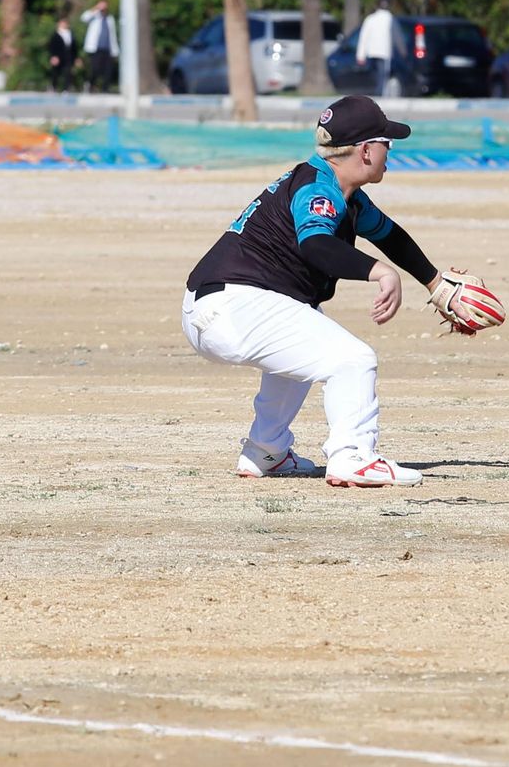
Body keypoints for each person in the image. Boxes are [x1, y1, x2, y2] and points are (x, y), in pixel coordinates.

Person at [181, 94, 458, 486]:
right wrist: (380, 272)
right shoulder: (318, 191)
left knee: (307, 345)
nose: (389, 152)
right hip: (235, 306)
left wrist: (435, 284)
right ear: (365, 150)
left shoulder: (339, 191)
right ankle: (353, 456)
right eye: (386, 143)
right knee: (354, 360)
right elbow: (316, 246)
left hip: (217, 306)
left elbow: (391, 235)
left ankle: (266, 450)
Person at [355, 0, 402, 97]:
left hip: (372, 52)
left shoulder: (370, 19)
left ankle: (376, 93)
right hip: (384, 53)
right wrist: (403, 52)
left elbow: (364, 37)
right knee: (382, 75)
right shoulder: (391, 19)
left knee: (376, 74)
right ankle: (379, 94)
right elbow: (397, 37)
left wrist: (360, 55)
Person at [80, 0, 118, 93]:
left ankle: (105, 89)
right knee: (95, 69)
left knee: (108, 70)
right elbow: (84, 18)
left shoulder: (110, 18)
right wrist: (96, 8)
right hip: (95, 48)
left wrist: (115, 50)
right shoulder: (95, 17)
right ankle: (90, 85)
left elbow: (113, 35)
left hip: (108, 48)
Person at [47, 17, 77, 93]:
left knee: (68, 73)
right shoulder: (55, 35)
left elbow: (74, 47)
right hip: (58, 57)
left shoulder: (70, 34)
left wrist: (76, 58)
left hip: (68, 56)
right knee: (56, 73)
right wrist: (53, 56)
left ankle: (66, 89)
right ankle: (53, 87)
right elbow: (52, 47)